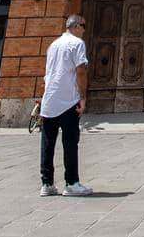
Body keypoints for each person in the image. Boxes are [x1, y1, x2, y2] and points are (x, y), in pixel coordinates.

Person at [39, 14, 92, 197]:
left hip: (49, 100)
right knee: (70, 143)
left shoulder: (53, 45)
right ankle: (71, 183)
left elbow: (48, 72)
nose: (84, 30)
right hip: (68, 101)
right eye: (83, 26)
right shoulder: (76, 44)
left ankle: (47, 184)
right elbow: (81, 71)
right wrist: (83, 97)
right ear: (76, 26)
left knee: (47, 143)